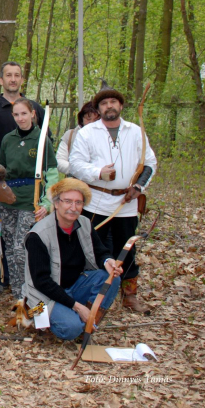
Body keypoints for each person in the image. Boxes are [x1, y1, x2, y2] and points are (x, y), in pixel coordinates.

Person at [69, 83, 157, 314]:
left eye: (113, 102)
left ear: (120, 106)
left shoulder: (135, 131)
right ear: (99, 109)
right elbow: (76, 165)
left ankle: (129, 295)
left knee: (126, 249)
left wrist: (138, 186)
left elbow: (149, 163)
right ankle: (96, 290)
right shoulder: (87, 133)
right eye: (104, 103)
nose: (109, 106)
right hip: (96, 199)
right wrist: (99, 173)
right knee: (92, 247)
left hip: (125, 203)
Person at [23, 178, 123, 340]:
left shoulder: (84, 224)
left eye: (78, 202)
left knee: (112, 279)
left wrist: (108, 261)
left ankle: (88, 322)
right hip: (45, 296)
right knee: (71, 329)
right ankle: (38, 317)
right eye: (67, 201)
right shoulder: (38, 235)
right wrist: (76, 306)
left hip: (75, 286)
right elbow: (41, 282)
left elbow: (100, 252)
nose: (73, 207)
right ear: (56, 203)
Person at [0, 62, 46, 291]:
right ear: (1, 80)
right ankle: (12, 286)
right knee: (7, 241)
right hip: (7, 191)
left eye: (17, 75)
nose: (13, 79)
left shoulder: (36, 108)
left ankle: (32, 290)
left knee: (24, 245)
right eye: (8, 75)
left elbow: (46, 159)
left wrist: (47, 199)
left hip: (30, 195)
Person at [0, 98, 58, 301]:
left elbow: (52, 173)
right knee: (9, 249)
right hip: (8, 201)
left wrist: (48, 203)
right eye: (16, 114)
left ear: (33, 114)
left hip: (30, 202)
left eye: (24, 113)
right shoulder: (8, 139)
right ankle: (18, 296)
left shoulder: (42, 140)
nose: (20, 118)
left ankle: (31, 294)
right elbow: (3, 170)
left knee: (21, 248)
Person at [56, 101, 99, 175]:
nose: (91, 123)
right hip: (74, 182)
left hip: (99, 182)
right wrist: (79, 170)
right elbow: (59, 161)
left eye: (96, 120)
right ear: (82, 118)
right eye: (88, 119)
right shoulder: (70, 135)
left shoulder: (107, 136)